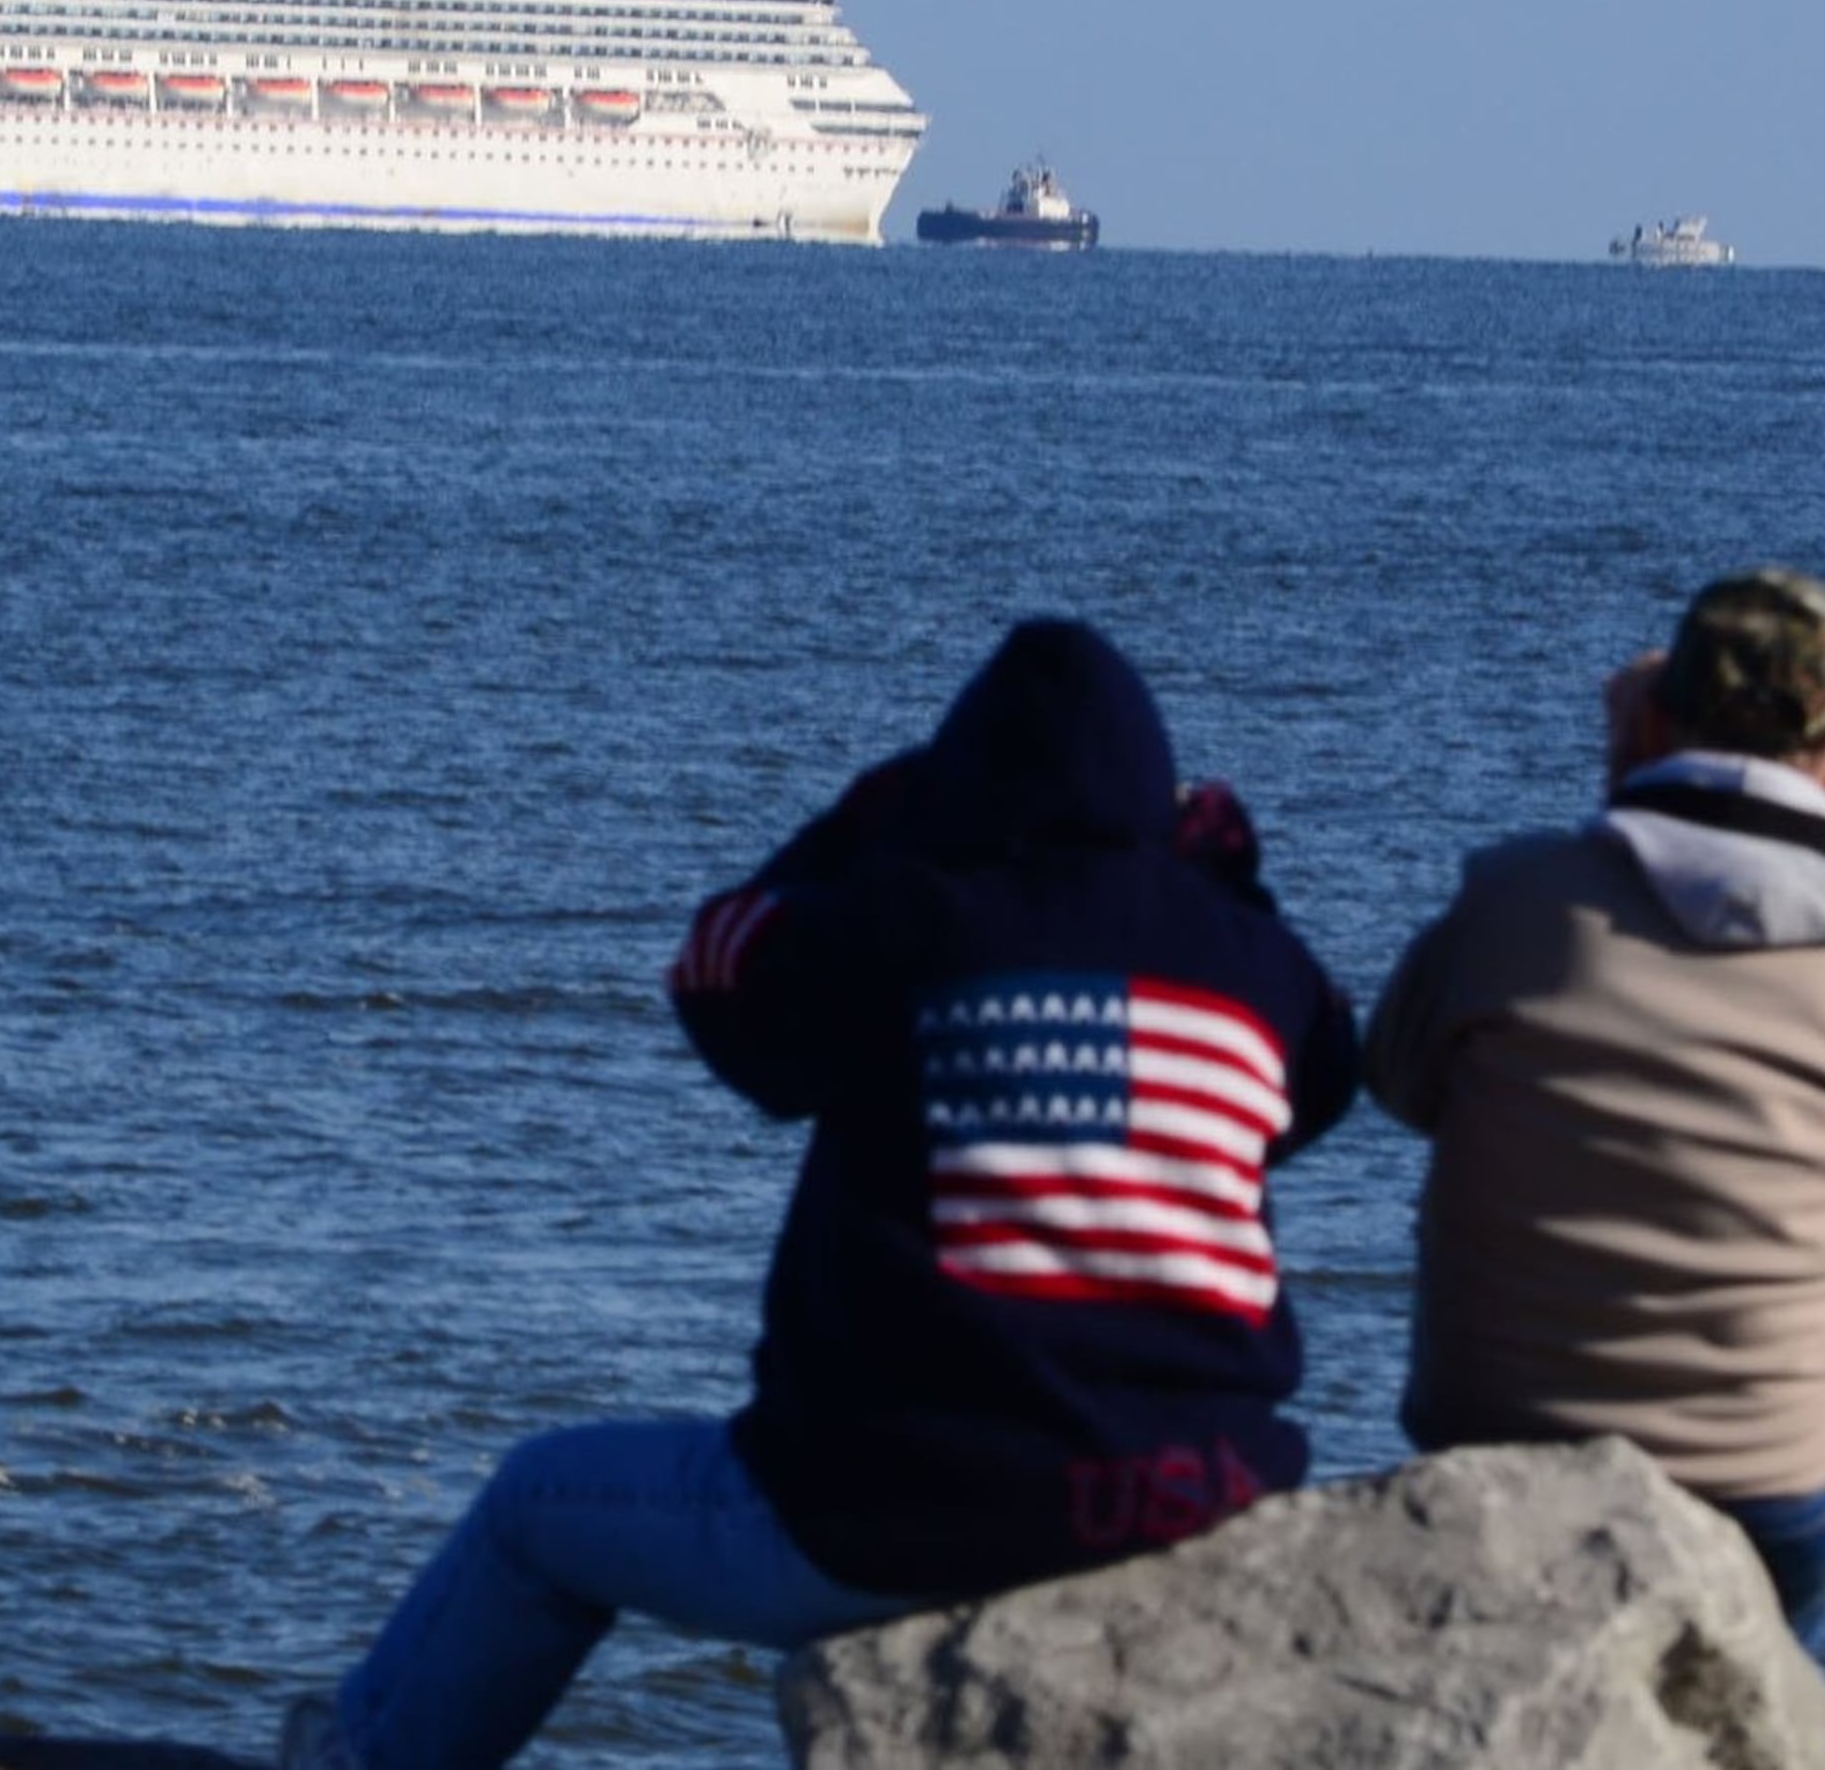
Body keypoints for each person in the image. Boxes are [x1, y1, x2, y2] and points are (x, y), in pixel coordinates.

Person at [286, 619, 1357, 1770]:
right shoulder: (1259, 970)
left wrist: (865, 823)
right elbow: (1322, 1085)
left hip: (904, 1513)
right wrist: (1236, 890)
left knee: (534, 1508)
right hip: (1199, 1500)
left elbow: (717, 975)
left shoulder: (913, 922)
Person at [1363, 568, 1825, 1647]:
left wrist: (1619, 786)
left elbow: (1400, 1083)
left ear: (1644, 719)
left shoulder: (1513, 901)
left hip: (1496, 1447)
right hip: (1766, 1482)